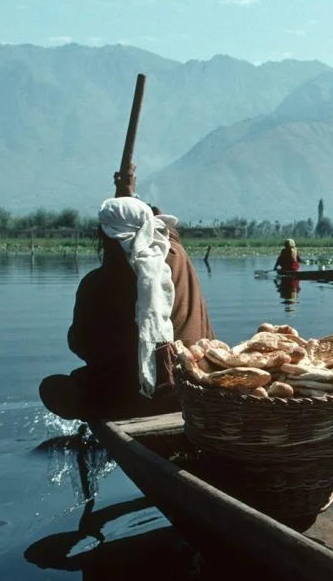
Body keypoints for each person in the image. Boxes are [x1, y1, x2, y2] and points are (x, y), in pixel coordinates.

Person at [40, 176, 215, 420]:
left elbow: (81, 345)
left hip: (131, 397)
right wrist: (129, 192)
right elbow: (158, 221)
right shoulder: (176, 255)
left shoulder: (96, 284)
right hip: (194, 386)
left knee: (53, 387)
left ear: (103, 237)